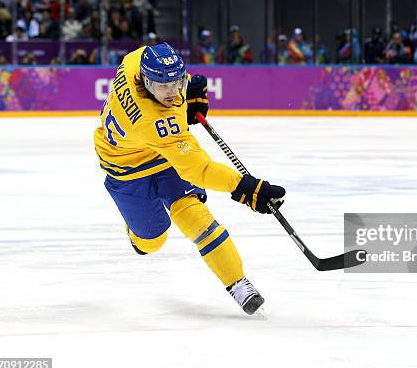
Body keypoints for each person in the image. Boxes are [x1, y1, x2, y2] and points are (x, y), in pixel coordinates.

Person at [93, 42, 285, 315]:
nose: (172, 92)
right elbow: (199, 170)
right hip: (127, 169)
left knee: (195, 217)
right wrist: (245, 187)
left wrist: (186, 96)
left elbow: (167, 71)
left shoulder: (136, 60)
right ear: (147, 82)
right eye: (164, 87)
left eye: (177, 82)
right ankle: (136, 230)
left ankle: (238, 283)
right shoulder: (155, 123)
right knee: (151, 242)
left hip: (163, 156)